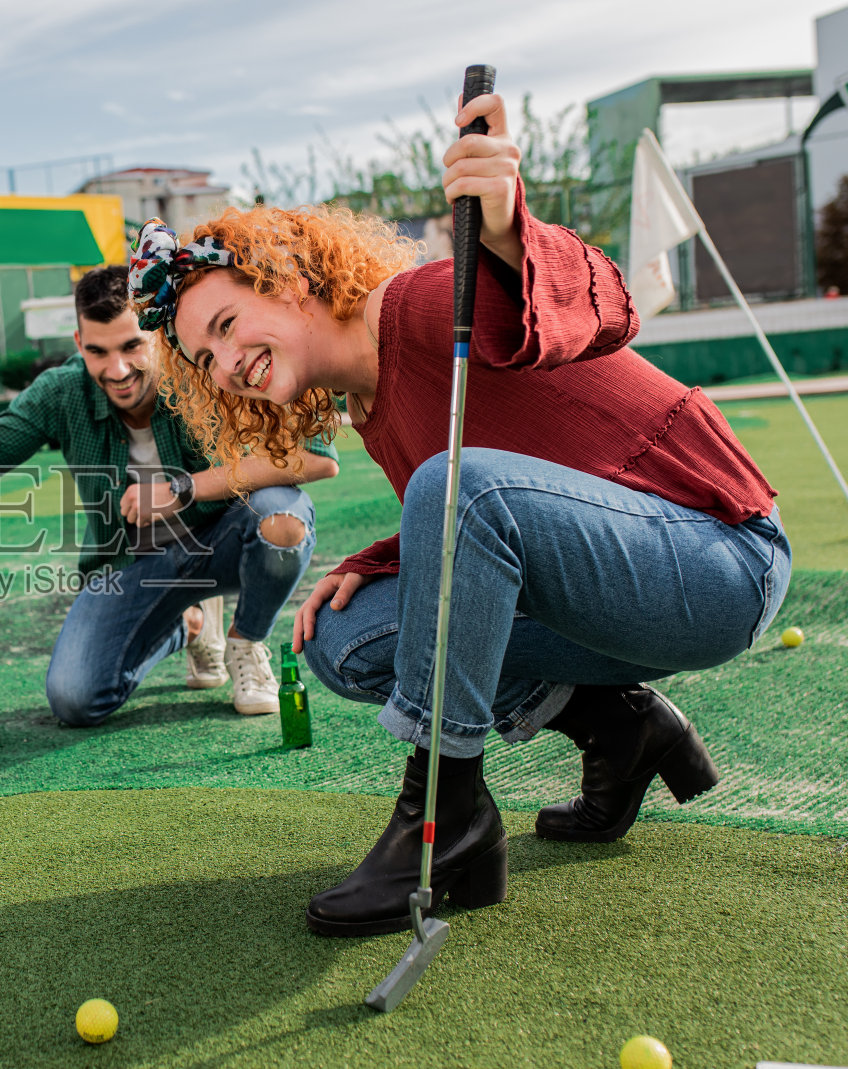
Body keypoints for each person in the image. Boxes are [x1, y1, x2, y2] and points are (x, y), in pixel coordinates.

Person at [129, 91, 790, 936]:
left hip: (719, 554)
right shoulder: (365, 399)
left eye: (226, 325)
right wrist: (381, 558)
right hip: (615, 579)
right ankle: (621, 729)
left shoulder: (424, 305)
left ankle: (446, 819)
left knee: (455, 485)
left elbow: (606, 310)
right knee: (347, 634)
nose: (225, 366)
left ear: (287, 280)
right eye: (204, 358)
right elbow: (504, 517)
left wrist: (512, 230)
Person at [0, 266, 339, 726]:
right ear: (77, 343)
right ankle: (190, 626)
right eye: (97, 352)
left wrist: (181, 490)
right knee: (76, 699)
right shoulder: (63, 390)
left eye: (131, 346)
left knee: (281, 517)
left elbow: (315, 456)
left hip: (224, 539)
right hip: (131, 565)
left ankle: (245, 640)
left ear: (152, 332)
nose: (118, 370)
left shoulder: (202, 363)